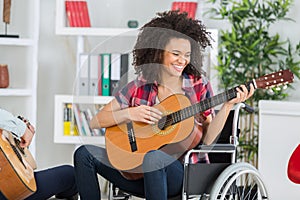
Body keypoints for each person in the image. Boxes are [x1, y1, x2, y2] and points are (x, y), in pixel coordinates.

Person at [73, 10, 255, 200]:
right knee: (84, 153)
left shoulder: (198, 86)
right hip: (135, 174)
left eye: (186, 55)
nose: (182, 60)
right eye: (175, 54)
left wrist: (226, 106)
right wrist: (130, 113)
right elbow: (96, 121)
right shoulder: (139, 85)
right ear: (158, 53)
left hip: (178, 176)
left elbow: (208, 140)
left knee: (153, 157)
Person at [0, 108, 78, 200]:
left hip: (13, 187)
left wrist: (17, 142)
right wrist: (21, 129)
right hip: (8, 191)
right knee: (71, 175)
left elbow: (31, 167)